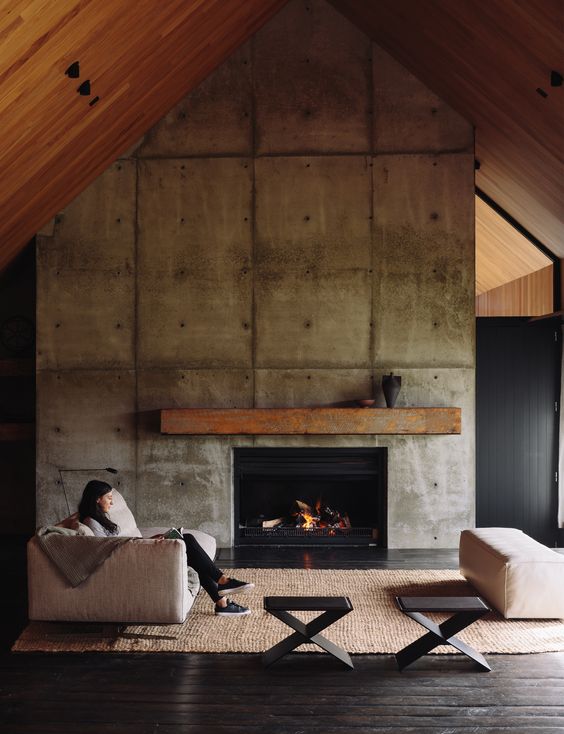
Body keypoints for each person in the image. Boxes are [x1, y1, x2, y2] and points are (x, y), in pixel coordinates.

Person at [78, 479, 253, 617]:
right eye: (109, 498)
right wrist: (142, 544)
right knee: (189, 542)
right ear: (97, 499)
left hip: (134, 550)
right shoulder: (91, 523)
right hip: (131, 560)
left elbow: (119, 542)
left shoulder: (99, 518)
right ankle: (222, 583)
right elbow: (109, 549)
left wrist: (147, 539)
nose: (112, 502)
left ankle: (222, 599)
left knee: (190, 547)